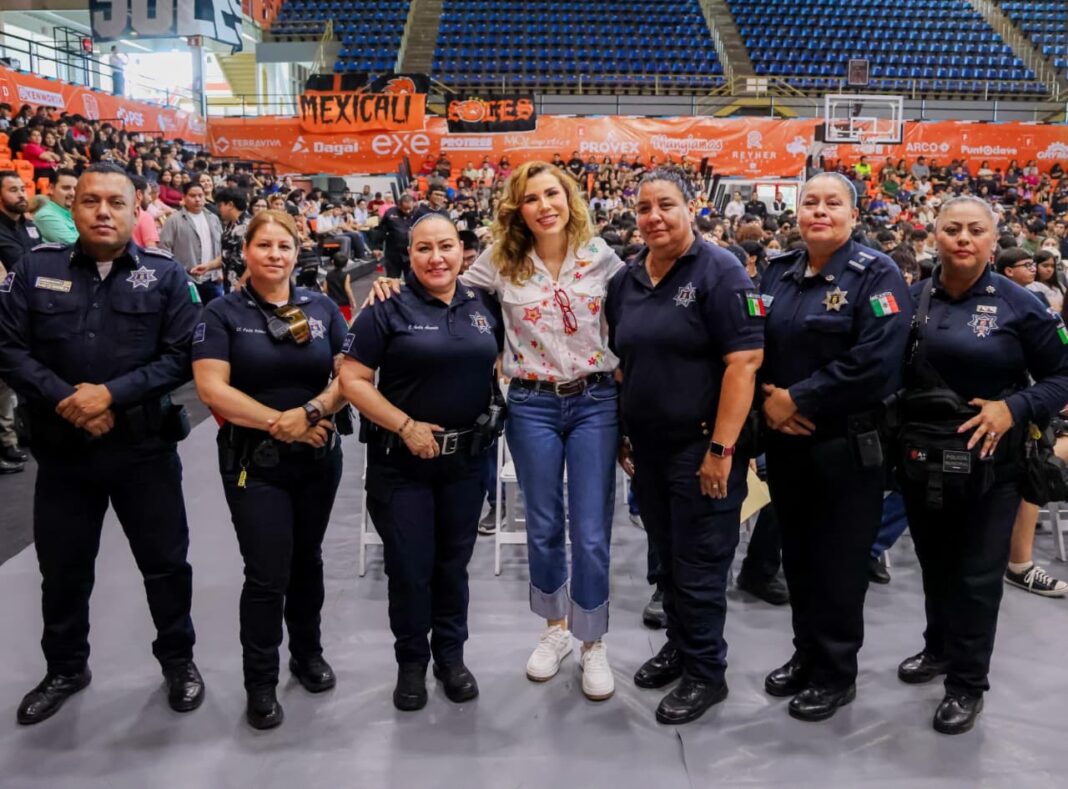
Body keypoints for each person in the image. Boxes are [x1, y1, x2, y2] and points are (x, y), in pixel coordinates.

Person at [370, 162, 623, 701]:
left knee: (593, 529)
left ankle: (592, 640)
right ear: (518, 209)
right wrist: (391, 280)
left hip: (596, 400)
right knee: (543, 523)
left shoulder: (601, 257)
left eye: (552, 194)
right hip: (531, 403)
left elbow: (635, 315)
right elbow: (441, 283)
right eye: (531, 198)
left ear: (569, 199)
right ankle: (555, 630)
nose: (544, 206)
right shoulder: (500, 261)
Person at [0, 163, 204, 725]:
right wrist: (71, 400)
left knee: (165, 564)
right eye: (90, 202)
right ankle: (66, 666)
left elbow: (181, 355)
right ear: (73, 209)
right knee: (63, 568)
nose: (103, 212)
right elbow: (9, 348)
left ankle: (178, 660)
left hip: (144, 452)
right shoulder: (33, 268)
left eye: (116, 202)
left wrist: (109, 396)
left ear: (137, 208)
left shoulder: (165, 276)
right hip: (64, 453)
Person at [892, 196, 1068, 734]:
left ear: (994, 240)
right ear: (933, 237)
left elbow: (1063, 376)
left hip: (994, 468)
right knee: (936, 563)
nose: (963, 239)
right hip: (925, 462)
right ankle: (939, 648)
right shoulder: (913, 298)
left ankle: (967, 683)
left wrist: (1012, 408)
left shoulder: (1022, 306)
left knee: (975, 576)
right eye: (952, 229)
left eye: (975, 230)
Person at [607, 166, 764, 724]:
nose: (654, 217)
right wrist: (626, 430)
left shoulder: (720, 272)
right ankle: (679, 647)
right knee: (668, 561)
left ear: (691, 206)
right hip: (649, 450)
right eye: (645, 207)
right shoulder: (626, 281)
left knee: (699, 565)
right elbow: (626, 362)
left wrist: (721, 451)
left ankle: (706, 672)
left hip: (702, 449)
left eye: (666, 205)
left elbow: (744, 363)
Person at [759, 172, 912, 722]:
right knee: (797, 556)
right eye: (810, 202)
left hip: (847, 445)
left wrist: (796, 398)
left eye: (832, 203)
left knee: (840, 563)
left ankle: (836, 671)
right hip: (786, 442)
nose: (819, 211)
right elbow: (753, 345)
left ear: (852, 214)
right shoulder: (776, 273)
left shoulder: (878, 274)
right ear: (797, 212)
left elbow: (877, 360)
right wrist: (765, 399)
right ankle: (806, 653)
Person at [191, 209, 348, 730]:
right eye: (265, 246)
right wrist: (280, 423)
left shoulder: (322, 306)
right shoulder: (221, 313)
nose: (275, 255)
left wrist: (312, 414)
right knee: (266, 573)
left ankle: (307, 655)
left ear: (297, 251)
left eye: (284, 246)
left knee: (308, 561)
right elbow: (213, 388)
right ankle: (260, 680)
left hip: (318, 457)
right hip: (252, 464)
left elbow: (349, 376)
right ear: (247, 251)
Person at [340, 214, 503, 711]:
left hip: (466, 464)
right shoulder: (386, 306)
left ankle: (450, 659)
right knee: (410, 569)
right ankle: (411, 662)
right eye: (425, 249)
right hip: (401, 465)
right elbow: (352, 379)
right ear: (408, 256)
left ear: (463, 253)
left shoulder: (483, 304)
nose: (437, 258)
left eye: (447, 247)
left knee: (453, 567)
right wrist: (405, 425)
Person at [159, 182, 222, 304]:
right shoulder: (174, 220)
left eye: (200, 195)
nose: (197, 199)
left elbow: (220, 246)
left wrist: (218, 271)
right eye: (193, 196)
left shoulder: (213, 218)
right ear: (184, 197)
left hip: (211, 278)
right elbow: (164, 249)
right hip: (185, 279)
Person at [32, 168, 78, 245]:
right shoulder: (46, 216)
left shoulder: (73, 212)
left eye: (76, 189)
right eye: (66, 188)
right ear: (51, 188)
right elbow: (76, 245)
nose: (72, 193)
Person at [381, 194, 415, 278]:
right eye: (405, 209)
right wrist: (377, 247)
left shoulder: (417, 213)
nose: (407, 211)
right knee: (392, 279)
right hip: (393, 253)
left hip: (410, 253)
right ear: (399, 206)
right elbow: (381, 230)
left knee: (412, 280)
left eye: (409, 209)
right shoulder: (390, 213)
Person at [323, 251, 355, 323]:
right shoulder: (346, 275)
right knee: (348, 320)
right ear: (346, 264)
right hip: (344, 303)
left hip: (332, 302)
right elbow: (348, 289)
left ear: (333, 262)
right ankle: (351, 333)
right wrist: (352, 301)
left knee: (333, 320)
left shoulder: (328, 274)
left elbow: (325, 289)